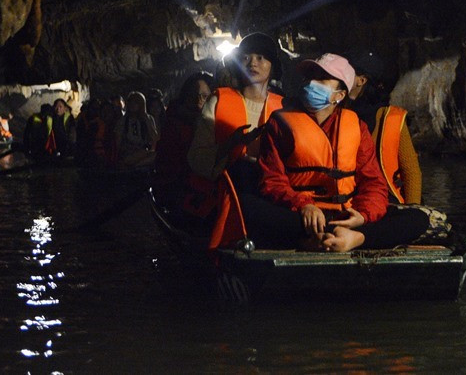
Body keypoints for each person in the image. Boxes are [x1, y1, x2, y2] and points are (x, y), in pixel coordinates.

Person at [247, 53, 429, 252]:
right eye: (310, 78)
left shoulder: (357, 127)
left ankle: (354, 238)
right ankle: (310, 239)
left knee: (417, 218)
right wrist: (303, 206)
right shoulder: (279, 123)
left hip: (345, 217)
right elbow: (272, 180)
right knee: (247, 206)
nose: (311, 84)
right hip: (300, 216)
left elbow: (373, 183)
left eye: (321, 79)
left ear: (339, 95)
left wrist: (362, 215)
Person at [184, 32, 284, 245]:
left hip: (274, 195)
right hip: (226, 193)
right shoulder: (218, 102)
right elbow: (196, 158)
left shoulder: (285, 108)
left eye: (260, 58)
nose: (252, 63)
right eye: (245, 57)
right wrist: (231, 144)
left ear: (272, 66)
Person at [348, 51, 422, 204]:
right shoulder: (340, 114)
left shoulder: (390, 119)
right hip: (350, 199)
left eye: (347, 72)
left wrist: (412, 208)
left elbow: (411, 171)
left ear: (361, 80)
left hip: (386, 200)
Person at [153, 72, 215, 215]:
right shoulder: (174, 123)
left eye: (205, 96)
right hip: (179, 184)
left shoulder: (213, 124)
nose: (199, 101)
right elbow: (169, 164)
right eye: (193, 95)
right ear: (185, 97)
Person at [114, 91, 159, 168]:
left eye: (136, 102)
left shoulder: (148, 119)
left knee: (156, 155)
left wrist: (147, 121)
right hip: (128, 153)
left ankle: (134, 166)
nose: (132, 105)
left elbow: (155, 138)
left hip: (143, 151)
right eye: (131, 102)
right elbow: (118, 140)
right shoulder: (123, 120)